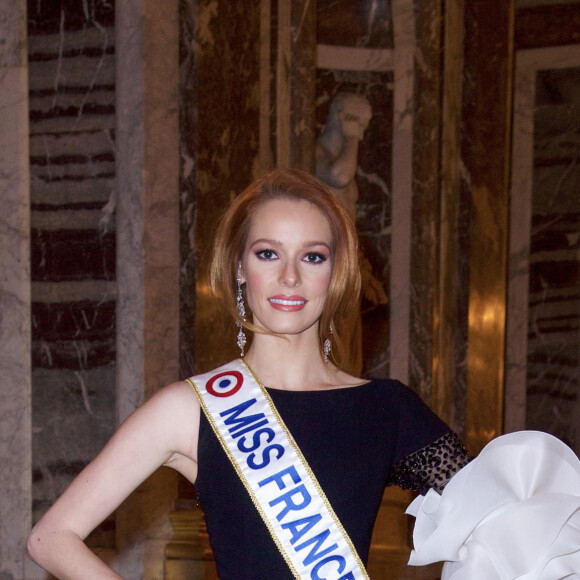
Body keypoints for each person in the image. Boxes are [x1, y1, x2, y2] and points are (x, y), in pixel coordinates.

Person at [27, 168, 471, 579]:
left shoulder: (386, 408)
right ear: (240, 267)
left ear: (335, 272)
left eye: (313, 257)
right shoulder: (191, 409)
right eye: (267, 254)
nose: (290, 277)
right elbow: (51, 538)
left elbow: (498, 515)